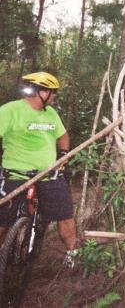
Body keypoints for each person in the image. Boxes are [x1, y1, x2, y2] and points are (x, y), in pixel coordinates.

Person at [0, 72, 78, 267]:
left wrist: (63, 155)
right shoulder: (11, 110)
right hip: (16, 175)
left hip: (49, 175)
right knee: (2, 221)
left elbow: (63, 136)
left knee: (65, 215)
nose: (54, 97)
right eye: (52, 92)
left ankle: (73, 256)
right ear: (41, 91)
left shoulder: (50, 113)